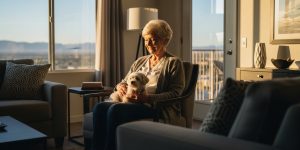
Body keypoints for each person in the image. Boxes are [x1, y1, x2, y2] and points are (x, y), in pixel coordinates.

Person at [92, 19, 185, 150]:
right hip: (130, 101)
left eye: (153, 39)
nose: (148, 43)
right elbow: (124, 81)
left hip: (153, 107)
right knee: (99, 107)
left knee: (115, 110)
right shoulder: (140, 61)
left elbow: (176, 93)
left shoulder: (174, 63)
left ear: (164, 40)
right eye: (146, 40)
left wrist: (147, 98)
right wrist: (120, 86)